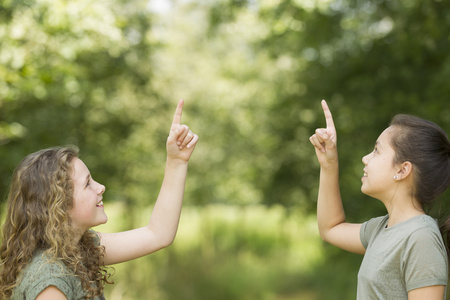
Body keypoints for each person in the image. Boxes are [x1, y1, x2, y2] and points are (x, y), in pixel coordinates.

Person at [0, 99, 199, 299]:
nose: (101, 187)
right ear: (59, 204)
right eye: (87, 183)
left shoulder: (77, 247)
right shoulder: (50, 281)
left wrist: (176, 162)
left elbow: (158, 234)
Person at [309, 100, 450, 299]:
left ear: (402, 170)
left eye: (376, 150)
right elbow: (330, 229)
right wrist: (328, 163)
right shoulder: (380, 229)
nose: (365, 158)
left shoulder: (421, 238)